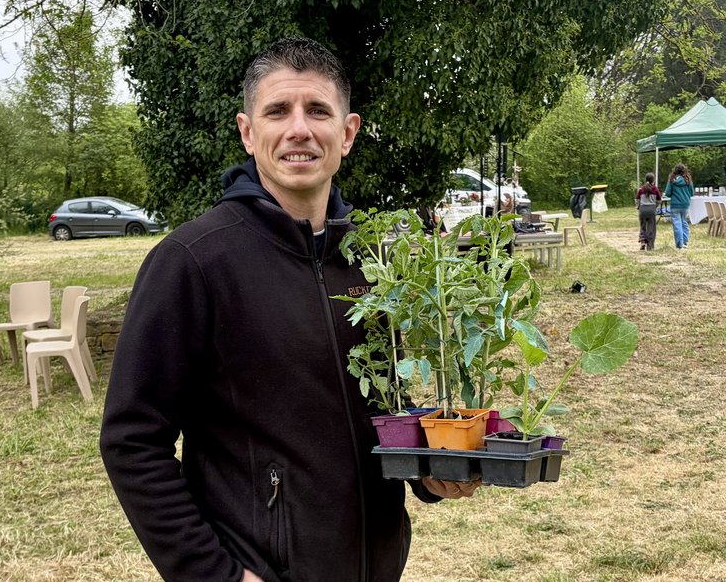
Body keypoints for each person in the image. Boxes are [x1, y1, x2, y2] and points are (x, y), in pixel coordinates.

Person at [99, 37, 478, 582]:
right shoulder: (192, 262)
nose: (298, 129)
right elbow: (131, 440)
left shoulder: (373, 263)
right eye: (277, 111)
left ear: (347, 134)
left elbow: (384, 406)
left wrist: (428, 473)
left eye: (318, 110)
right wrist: (215, 576)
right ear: (249, 133)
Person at [663, 164, 694, 249]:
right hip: (685, 204)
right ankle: (685, 241)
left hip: (675, 204)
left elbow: (668, 193)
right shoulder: (688, 180)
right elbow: (692, 193)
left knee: (677, 223)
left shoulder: (672, 180)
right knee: (684, 222)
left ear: (675, 171)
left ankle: (680, 244)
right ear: (684, 170)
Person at [636, 172, 662, 250]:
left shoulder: (641, 189)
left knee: (643, 226)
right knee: (651, 227)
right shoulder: (655, 189)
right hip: (651, 210)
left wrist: (639, 207)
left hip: (642, 210)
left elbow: (637, 200)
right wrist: (655, 206)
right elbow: (659, 200)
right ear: (653, 180)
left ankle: (643, 241)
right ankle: (650, 246)